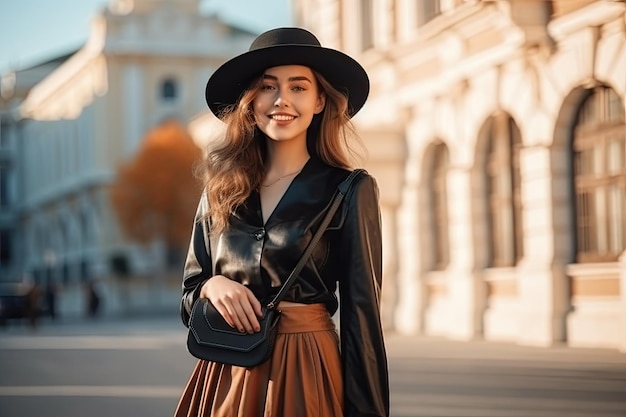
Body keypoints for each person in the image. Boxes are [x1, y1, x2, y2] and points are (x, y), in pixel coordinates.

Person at [175, 27, 389, 417]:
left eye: (298, 87)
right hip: (225, 374)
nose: (281, 100)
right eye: (268, 87)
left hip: (307, 370)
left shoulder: (349, 189)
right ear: (250, 100)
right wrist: (212, 285)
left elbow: (363, 319)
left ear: (320, 100)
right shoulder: (219, 189)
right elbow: (189, 299)